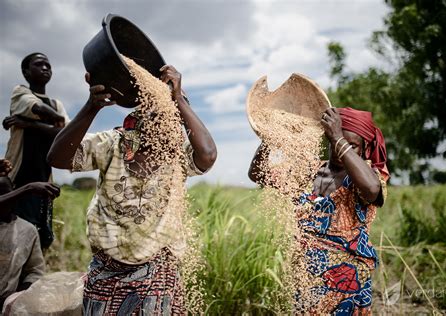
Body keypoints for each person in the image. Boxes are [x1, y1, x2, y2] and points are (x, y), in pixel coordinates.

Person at [47, 65, 217, 314]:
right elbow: (58, 158)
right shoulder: (112, 144)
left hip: (158, 269)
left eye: (173, 116)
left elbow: (208, 154)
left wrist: (178, 97)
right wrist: (91, 107)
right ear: (139, 116)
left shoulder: (177, 158)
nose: (164, 120)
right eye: (154, 112)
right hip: (108, 270)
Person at [249, 107, 389, 314]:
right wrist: (270, 135)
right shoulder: (309, 172)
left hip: (347, 285)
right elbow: (258, 174)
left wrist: (338, 137)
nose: (343, 150)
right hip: (306, 279)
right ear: (327, 139)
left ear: (364, 149)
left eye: (353, 146)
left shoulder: (366, 176)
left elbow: (371, 189)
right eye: (335, 142)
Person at [3, 52, 70, 250]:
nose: (45, 68)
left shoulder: (57, 103)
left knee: (41, 235)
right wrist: (54, 123)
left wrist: (27, 124)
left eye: (48, 65)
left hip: (43, 177)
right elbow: (39, 109)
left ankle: (33, 276)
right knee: (13, 234)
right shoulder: (19, 92)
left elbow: (64, 132)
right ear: (25, 72)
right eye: (39, 64)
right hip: (16, 177)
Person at [0, 159, 60, 312]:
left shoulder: (27, 230)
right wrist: (28, 188)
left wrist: (18, 298)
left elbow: (34, 271)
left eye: (7, 194)